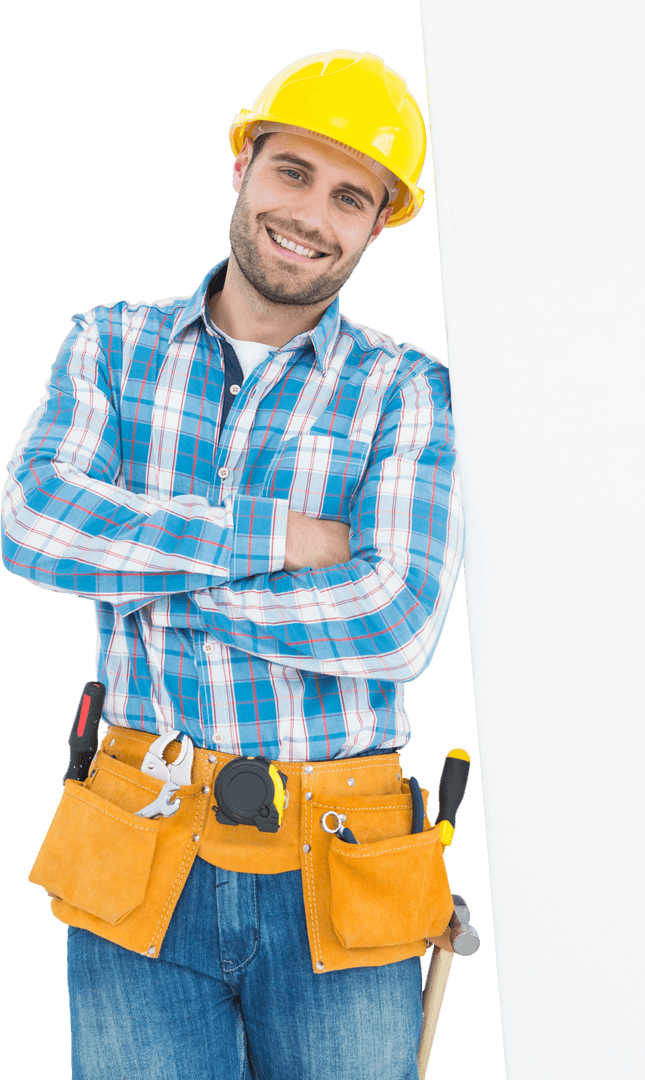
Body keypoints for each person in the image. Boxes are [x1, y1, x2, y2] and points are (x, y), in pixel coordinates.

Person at [1, 50, 463, 1080]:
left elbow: (396, 622)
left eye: (353, 196)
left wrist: (151, 582)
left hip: (346, 854)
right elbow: (34, 524)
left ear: (379, 223)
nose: (312, 213)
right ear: (243, 160)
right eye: (293, 171)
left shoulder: (407, 390)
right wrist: (277, 539)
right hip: (137, 828)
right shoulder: (109, 346)